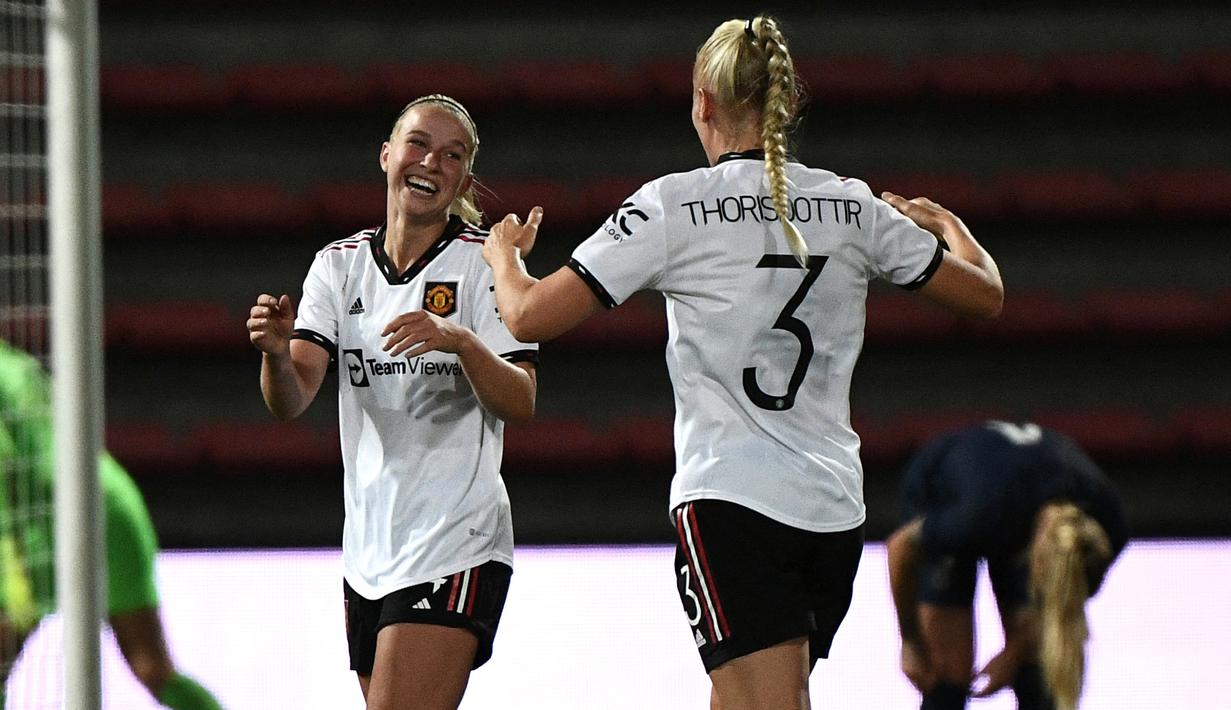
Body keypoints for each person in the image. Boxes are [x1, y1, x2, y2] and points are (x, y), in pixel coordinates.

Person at [480, 14, 1003, 710]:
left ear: (701, 100)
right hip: (832, 510)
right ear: (784, 104)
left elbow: (526, 316)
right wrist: (955, 230)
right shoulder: (851, 205)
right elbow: (986, 296)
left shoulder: (670, 204)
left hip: (732, 504)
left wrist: (502, 259)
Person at [246, 94, 537, 710]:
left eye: (452, 154)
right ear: (386, 155)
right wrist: (275, 353)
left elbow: (522, 398)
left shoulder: (486, 265)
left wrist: (459, 341)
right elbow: (293, 399)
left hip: (456, 541)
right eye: (418, 144)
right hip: (369, 553)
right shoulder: (338, 266)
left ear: (463, 177)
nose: (431, 161)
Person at [0, 340, 223, 709]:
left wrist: (14, 580)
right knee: (154, 670)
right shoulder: (11, 362)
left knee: (152, 668)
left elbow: (7, 471)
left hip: (76, 517)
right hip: (89, 508)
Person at [886, 421, 1126, 710]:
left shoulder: (1108, 530)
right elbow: (900, 548)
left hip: (1010, 492)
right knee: (947, 677)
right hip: (948, 489)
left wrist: (1013, 654)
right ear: (1032, 553)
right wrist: (910, 639)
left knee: (1038, 674)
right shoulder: (974, 518)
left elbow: (1059, 610)